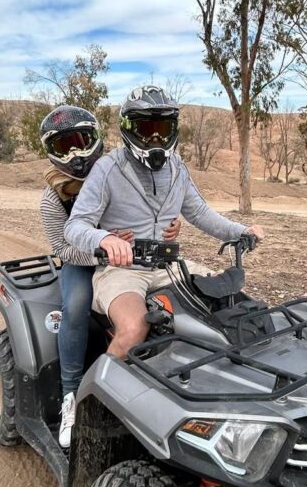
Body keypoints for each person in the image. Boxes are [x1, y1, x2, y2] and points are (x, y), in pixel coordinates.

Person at [64, 85, 264, 363]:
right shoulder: (108, 169)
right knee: (134, 328)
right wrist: (104, 240)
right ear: (129, 128)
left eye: (163, 128)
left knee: (232, 302)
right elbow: (75, 226)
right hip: (122, 271)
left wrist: (240, 231)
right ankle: (96, 400)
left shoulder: (177, 168)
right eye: (147, 129)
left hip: (168, 266)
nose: (156, 137)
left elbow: (200, 213)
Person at [38, 104, 181, 448]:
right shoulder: (52, 199)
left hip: (129, 261)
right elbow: (62, 247)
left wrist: (171, 228)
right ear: (51, 153)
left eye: (81, 141)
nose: (75, 153)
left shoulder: (126, 173)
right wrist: (103, 248)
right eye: (64, 146)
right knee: (76, 304)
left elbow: (155, 210)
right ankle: (73, 395)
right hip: (85, 261)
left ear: (96, 139)